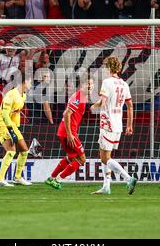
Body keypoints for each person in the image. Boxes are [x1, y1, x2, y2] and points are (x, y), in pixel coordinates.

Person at [90, 56, 136, 195]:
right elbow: (130, 106)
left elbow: (102, 102)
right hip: (118, 124)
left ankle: (128, 178)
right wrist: (129, 125)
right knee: (104, 154)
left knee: (105, 158)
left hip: (107, 123)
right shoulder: (124, 84)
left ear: (109, 68)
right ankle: (106, 186)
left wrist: (94, 106)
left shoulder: (107, 82)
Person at [45, 76, 94, 189]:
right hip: (68, 132)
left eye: (92, 84)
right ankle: (58, 180)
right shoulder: (79, 96)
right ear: (81, 85)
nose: (90, 86)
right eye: (88, 83)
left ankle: (52, 178)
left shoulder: (81, 96)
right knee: (82, 159)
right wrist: (70, 134)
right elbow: (67, 114)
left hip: (64, 131)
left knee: (71, 158)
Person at [0, 77, 33, 186]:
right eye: (30, 82)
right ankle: (0, 179)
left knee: (24, 151)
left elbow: (15, 112)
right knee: (11, 151)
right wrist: (11, 130)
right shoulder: (11, 95)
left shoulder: (23, 95)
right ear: (23, 82)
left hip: (12, 124)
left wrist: (15, 127)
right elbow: (5, 114)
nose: (31, 85)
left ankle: (18, 177)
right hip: (1, 123)